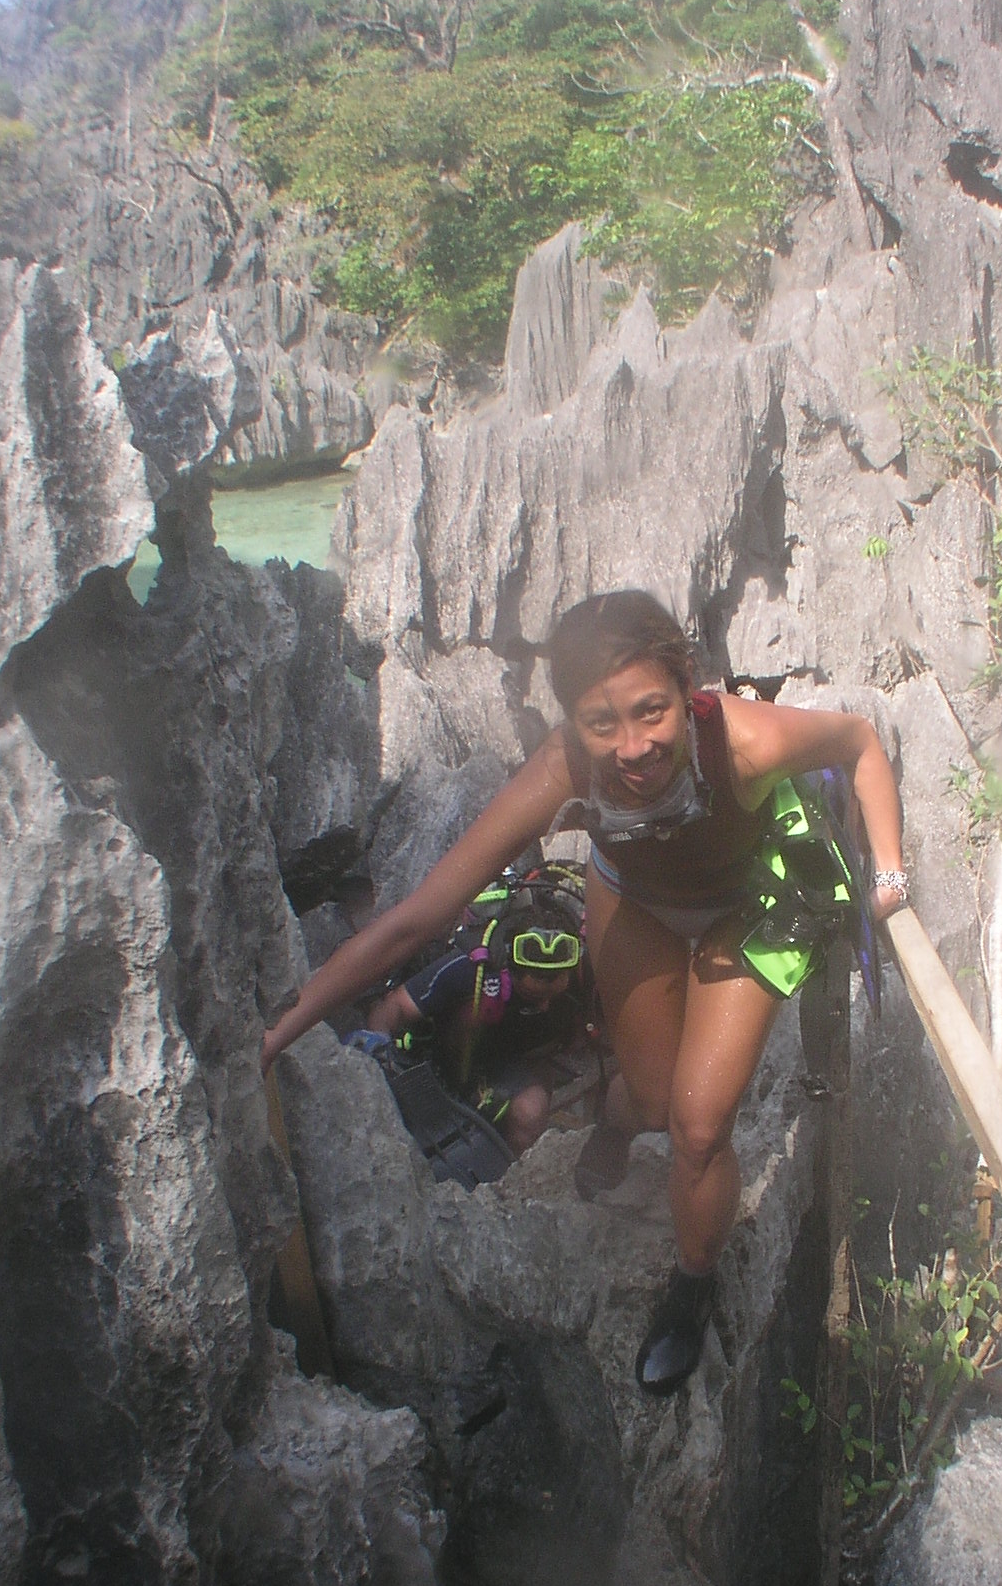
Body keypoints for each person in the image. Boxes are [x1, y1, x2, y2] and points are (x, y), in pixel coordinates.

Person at [260, 590, 909, 1391]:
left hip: (745, 907)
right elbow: (418, 919)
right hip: (634, 900)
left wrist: (888, 870)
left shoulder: (742, 740)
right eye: (603, 724)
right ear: (569, 720)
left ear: (688, 691)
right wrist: (276, 1031)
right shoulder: (563, 769)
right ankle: (615, 1124)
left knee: (698, 1126)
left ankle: (692, 1281)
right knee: (648, 1092)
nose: (633, 748)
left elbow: (860, 743)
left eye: (652, 713)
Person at [365, 917, 589, 1157]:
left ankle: (508, 1171)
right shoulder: (471, 970)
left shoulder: (580, 978)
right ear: (510, 971)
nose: (544, 1005)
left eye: (551, 994)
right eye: (533, 996)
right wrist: (371, 1058)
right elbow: (396, 1007)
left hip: (500, 1061)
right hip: (437, 1056)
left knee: (531, 1112)